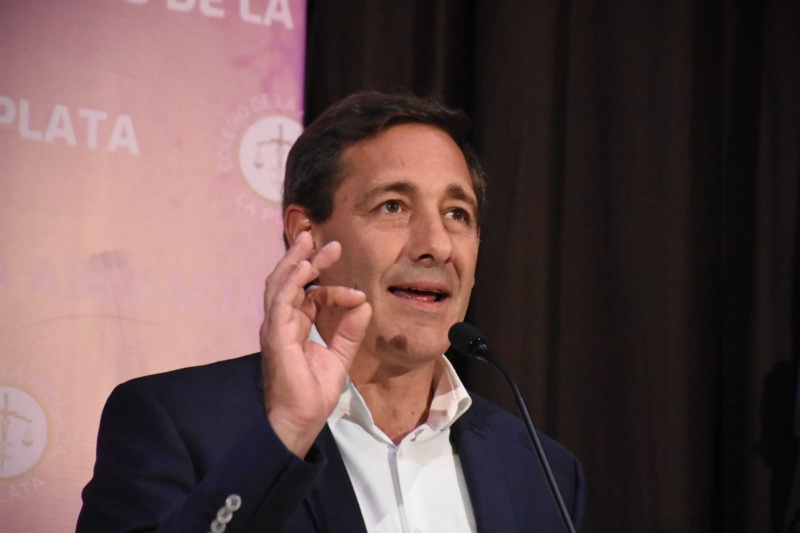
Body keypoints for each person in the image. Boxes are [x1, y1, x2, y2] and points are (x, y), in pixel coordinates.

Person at [77, 91, 589, 532]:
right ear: (306, 234)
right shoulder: (175, 424)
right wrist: (286, 435)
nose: (436, 245)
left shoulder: (543, 472)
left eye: (457, 214)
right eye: (393, 206)